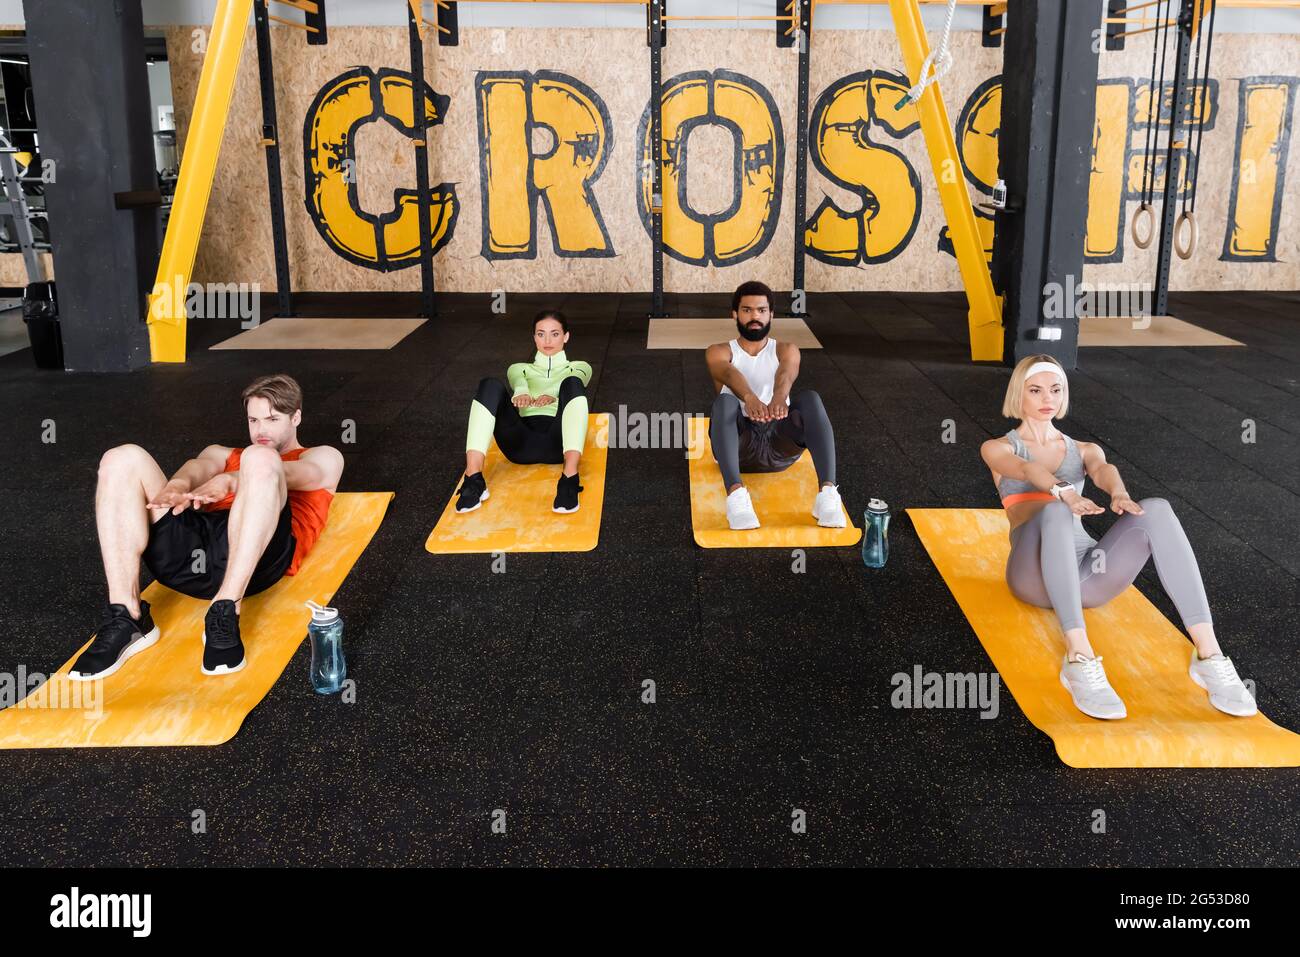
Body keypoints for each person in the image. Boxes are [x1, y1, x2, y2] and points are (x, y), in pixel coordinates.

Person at [980, 354, 1256, 720]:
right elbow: (1027, 468)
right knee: (1056, 510)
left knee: (1156, 508)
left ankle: (1210, 656)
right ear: (1020, 395)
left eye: (1056, 389)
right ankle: (1078, 658)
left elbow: (1102, 468)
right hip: (1031, 577)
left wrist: (1119, 494)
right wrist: (1064, 492)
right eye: (1036, 389)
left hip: (1087, 581)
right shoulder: (998, 447)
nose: (1048, 397)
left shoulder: (1084, 449)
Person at [72, 374, 343, 680]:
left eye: (272, 419)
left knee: (261, 458)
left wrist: (230, 480)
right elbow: (196, 468)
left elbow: (296, 473)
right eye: (253, 420)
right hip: (192, 554)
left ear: (296, 417)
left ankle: (226, 609)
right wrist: (176, 486)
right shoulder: (222, 453)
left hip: (259, 558)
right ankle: (127, 617)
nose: (261, 430)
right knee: (120, 457)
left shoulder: (324, 456)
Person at [705, 280, 844, 531]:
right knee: (724, 402)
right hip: (739, 449)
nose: (754, 316)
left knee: (810, 398)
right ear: (734, 314)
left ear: (771, 314)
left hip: (780, 447)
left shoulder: (787, 349)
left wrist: (780, 397)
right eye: (747, 310)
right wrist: (749, 397)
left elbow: (786, 373)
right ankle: (736, 496)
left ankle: (828, 495)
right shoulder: (717, 351)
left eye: (761, 310)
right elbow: (727, 372)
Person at [455, 309, 592, 514]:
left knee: (572, 384)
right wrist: (522, 392)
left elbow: (578, 379)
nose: (547, 340)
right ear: (534, 337)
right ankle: (474, 479)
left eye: (555, 334)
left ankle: (569, 479)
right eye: (540, 333)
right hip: (519, 444)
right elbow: (517, 379)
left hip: (559, 443)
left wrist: (553, 396)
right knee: (489, 384)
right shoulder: (519, 368)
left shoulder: (580, 366)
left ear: (566, 337)